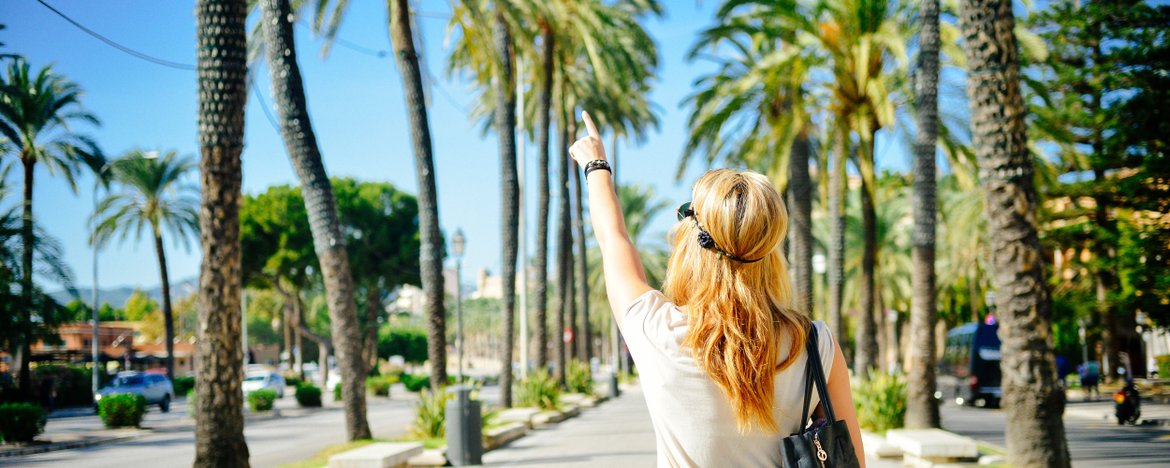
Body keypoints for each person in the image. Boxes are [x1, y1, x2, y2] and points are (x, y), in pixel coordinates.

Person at [569, 111, 865, 467]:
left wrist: (596, 165)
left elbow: (613, 239)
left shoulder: (658, 331)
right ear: (769, 249)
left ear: (693, 242)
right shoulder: (814, 345)